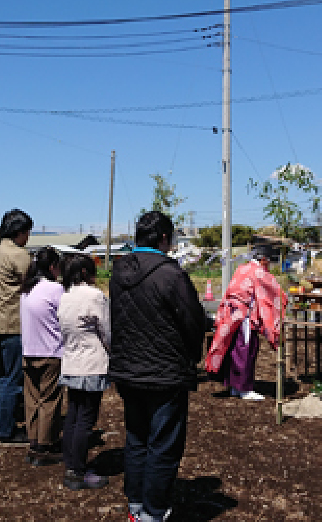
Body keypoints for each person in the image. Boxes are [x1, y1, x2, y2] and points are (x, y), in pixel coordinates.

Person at [109, 211, 205, 522]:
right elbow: (192, 322)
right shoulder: (171, 274)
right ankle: (153, 509)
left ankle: (136, 503)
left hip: (127, 369)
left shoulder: (118, 272)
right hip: (164, 372)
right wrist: (192, 357)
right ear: (164, 238)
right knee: (163, 443)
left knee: (137, 437)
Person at [58, 254, 110, 490]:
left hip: (71, 362)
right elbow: (107, 331)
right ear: (85, 273)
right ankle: (78, 472)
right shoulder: (94, 296)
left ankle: (71, 463)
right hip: (92, 363)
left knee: (73, 415)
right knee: (85, 420)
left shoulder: (64, 296)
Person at [206, 251, 288, 401]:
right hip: (244, 316)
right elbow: (275, 292)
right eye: (268, 261)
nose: (269, 265)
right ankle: (244, 389)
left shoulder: (241, 268)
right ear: (263, 259)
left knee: (233, 350)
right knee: (245, 351)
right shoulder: (259, 272)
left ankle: (234, 387)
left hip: (231, 315)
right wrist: (284, 297)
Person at [0, 209, 33, 446]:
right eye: (27, 233)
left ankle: (3, 424)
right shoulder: (19, 255)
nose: (28, 238)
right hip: (12, 323)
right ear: (20, 232)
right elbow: (31, 283)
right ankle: (6, 430)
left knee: (2, 376)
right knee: (12, 379)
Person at [20, 246, 65, 466]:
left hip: (29, 350)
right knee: (49, 400)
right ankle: (46, 446)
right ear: (52, 267)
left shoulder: (27, 289)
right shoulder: (55, 289)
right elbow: (64, 317)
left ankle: (34, 441)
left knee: (32, 399)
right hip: (50, 351)